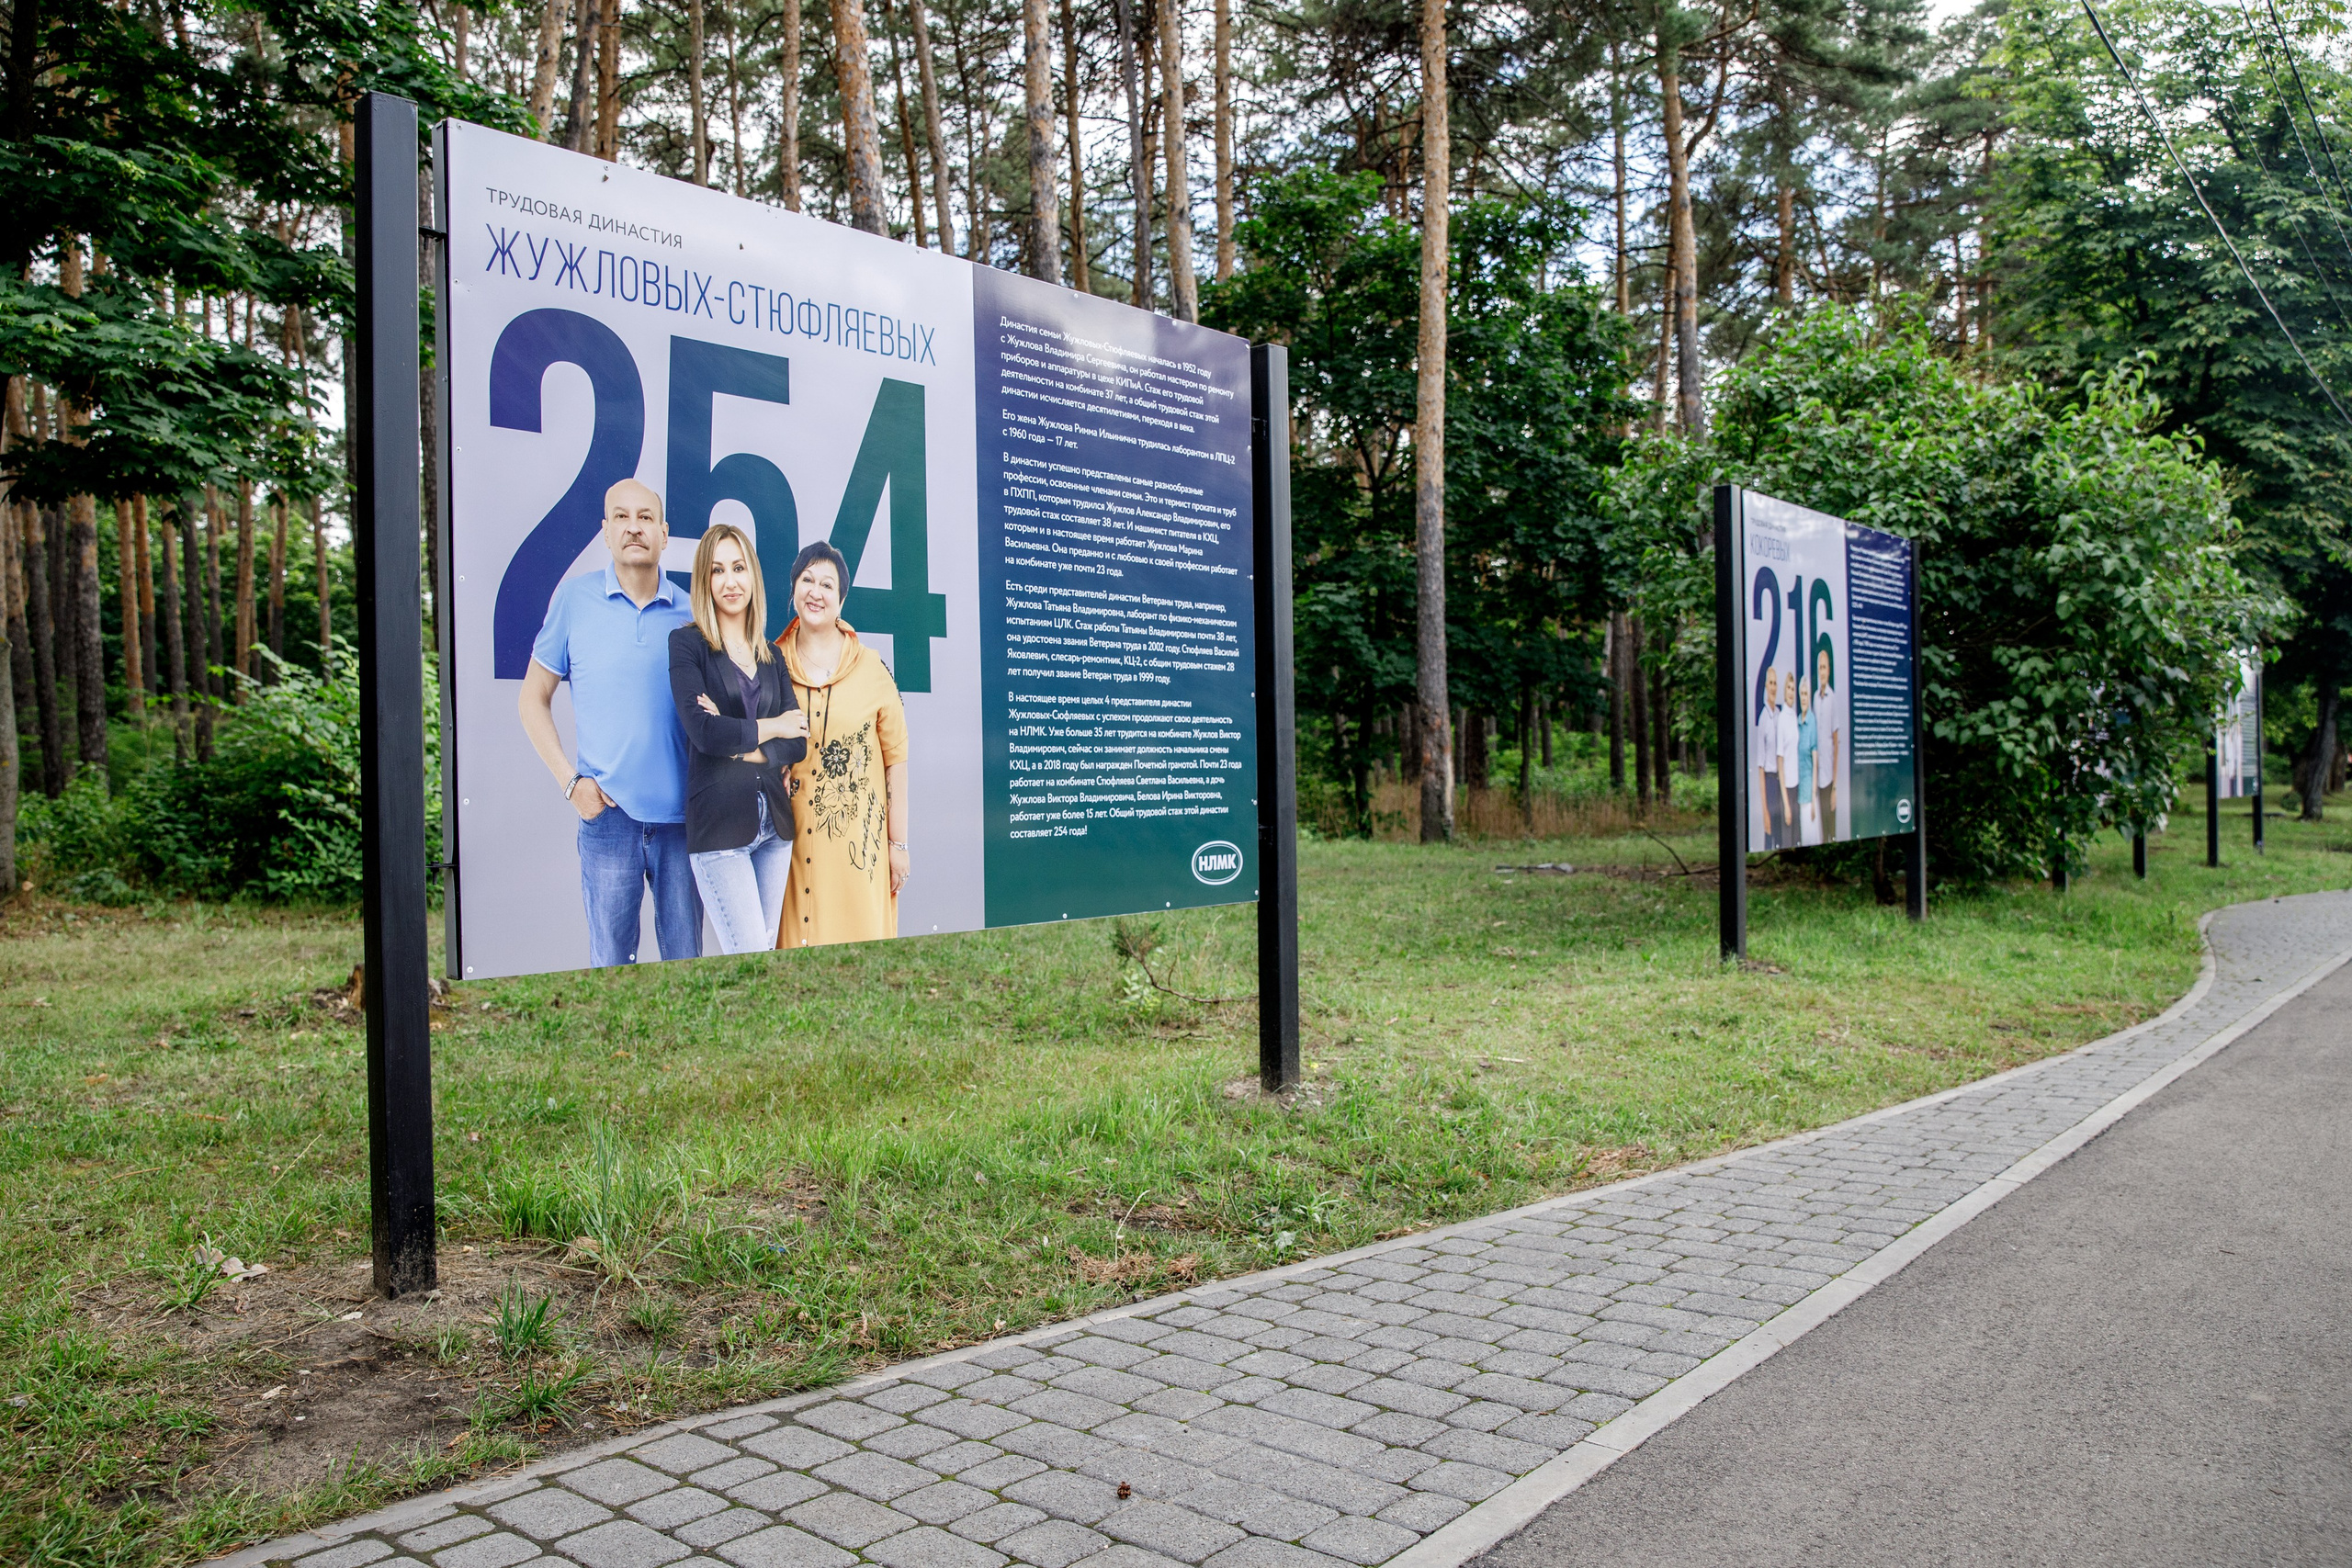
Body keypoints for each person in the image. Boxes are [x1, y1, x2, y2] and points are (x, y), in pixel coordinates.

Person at [518, 477, 700, 967]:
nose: (634, 527)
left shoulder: (694, 612)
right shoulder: (575, 602)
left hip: (684, 824)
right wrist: (570, 782)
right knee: (611, 970)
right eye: (622, 516)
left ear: (664, 532)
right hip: (609, 823)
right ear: (605, 530)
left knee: (688, 967)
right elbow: (532, 698)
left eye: (646, 518)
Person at [669, 524, 809, 954]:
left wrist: (744, 748)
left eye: (738, 567)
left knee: (763, 956)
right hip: (719, 829)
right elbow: (705, 732)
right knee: (748, 954)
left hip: (775, 828)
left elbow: (798, 741)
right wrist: (773, 726)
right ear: (704, 582)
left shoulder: (771, 655)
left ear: (753, 576)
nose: (730, 581)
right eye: (717, 570)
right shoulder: (687, 645)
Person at [775, 540, 910, 947]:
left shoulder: (872, 667)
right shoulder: (770, 661)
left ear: (841, 599)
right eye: (807, 580)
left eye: (827, 585)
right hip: (786, 845)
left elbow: (897, 759)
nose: (816, 591)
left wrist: (897, 845)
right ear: (794, 588)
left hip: (857, 855)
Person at [1754, 668, 1786, 850]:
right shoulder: (1763, 719)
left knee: (1782, 830)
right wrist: (1764, 808)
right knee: (1770, 829)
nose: (1773, 687)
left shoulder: (1781, 716)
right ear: (1765, 686)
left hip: (1783, 781)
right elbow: (1760, 767)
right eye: (1770, 683)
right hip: (1770, 781)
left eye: (1775, 683)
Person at [1813, 647, 1840, 840]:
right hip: (1818, 774)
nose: (1822, 671)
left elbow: (1836, 744)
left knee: (1832, 830)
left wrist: (1835, 787)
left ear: (1829, 670)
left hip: (1829, 777)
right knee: (1822, 832)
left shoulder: (1833, 699)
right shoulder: (1815, 697)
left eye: (1825, 667)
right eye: (1819, 668)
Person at [1775, 663, 1801, 852]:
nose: (1791, 692)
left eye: (1793, 689)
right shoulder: (1782, 719)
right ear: (1784, 691)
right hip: (1787, 789)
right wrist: (1786, 802)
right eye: (1789, 688)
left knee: (1797, 838)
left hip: (1798, 785)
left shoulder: (1794, 717)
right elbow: (1780, 761)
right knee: (1787, 837)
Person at [1795, 679, 1820, 845]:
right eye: (1802, 694)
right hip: (1797, 791)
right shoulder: (1796, 721)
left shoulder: (1812, 722)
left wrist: (1813, 798)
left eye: (1806, 694)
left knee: (1810, 837)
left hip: (1808, 793)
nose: (1804, 698)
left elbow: (1815, 763)